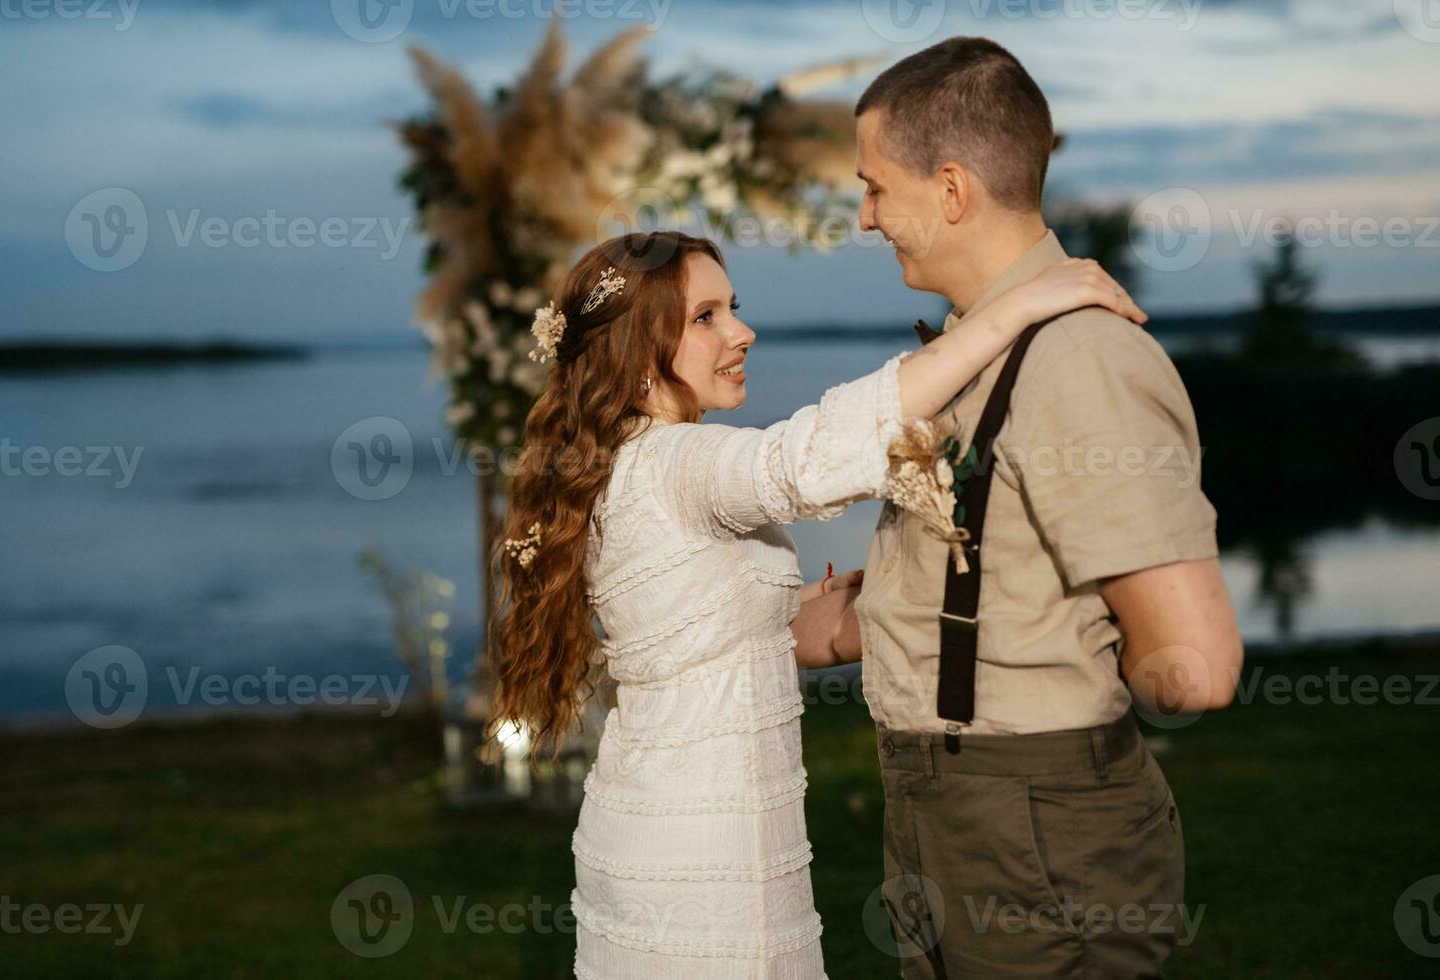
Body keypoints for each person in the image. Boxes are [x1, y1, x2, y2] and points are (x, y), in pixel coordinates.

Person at [488, 229, 1146, 978]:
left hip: (664, 825)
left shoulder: (625, 460)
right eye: (706, 317)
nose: (743, 331)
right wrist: (1017, 308)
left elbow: (737, 633)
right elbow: (799, 462)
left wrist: (930, 588)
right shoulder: (678, 463)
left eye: (732, 307)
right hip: (706, 854)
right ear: (639, 350)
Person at [811, 36, 1245, 977]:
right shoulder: (984, 350)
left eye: (878, 187)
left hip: (1032, 828)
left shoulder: (1079, 361)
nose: (865, 215)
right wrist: (865, 620)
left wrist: (1067, 741)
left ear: (953, 191)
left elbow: (1195, 669)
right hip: (957, 814)